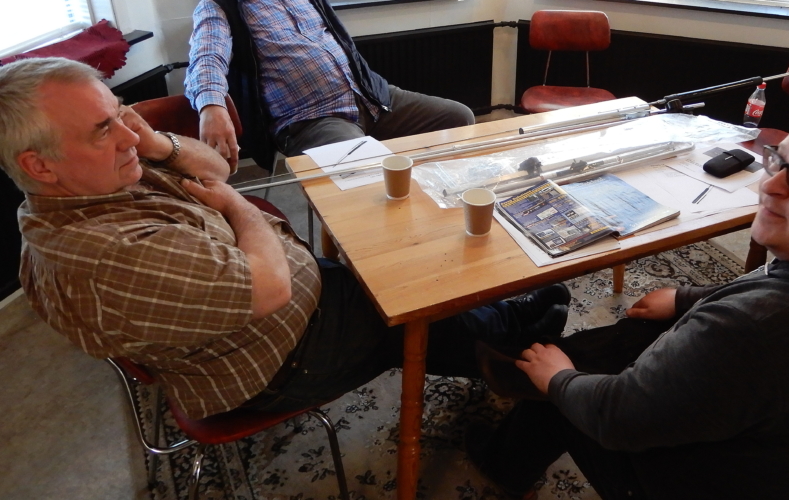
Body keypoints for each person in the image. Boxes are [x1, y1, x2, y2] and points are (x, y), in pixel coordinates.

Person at [1, 57, 567, 420]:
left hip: (281, 300)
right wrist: (238, 209)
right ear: (39, 165)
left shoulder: (99, 175)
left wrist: (154, 143)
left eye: (120, 114)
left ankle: (504, 331)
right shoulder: (106, 255)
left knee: (394, 283)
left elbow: (217, 170)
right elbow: (269, 285)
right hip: (276, 360)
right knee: (406, 309)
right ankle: (521, 346)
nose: (127, 136)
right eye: (104, 129)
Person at [466, 93, 789, 499]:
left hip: (695, 482)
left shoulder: (751, 331)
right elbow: (780, 293)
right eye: (780, 160)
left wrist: (559, 380)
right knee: (639, 333)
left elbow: (618, 417)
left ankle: (502, 459)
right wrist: (685, 297)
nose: (770, 185)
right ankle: (536, 360)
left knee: (563, 384)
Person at [186, 0, 474, 172]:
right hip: (313, 120)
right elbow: (206, 58)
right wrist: (211, 107)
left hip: (368, 96)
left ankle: (431, 193)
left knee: (459, 119)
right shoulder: (219, 5)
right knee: (363, 168)